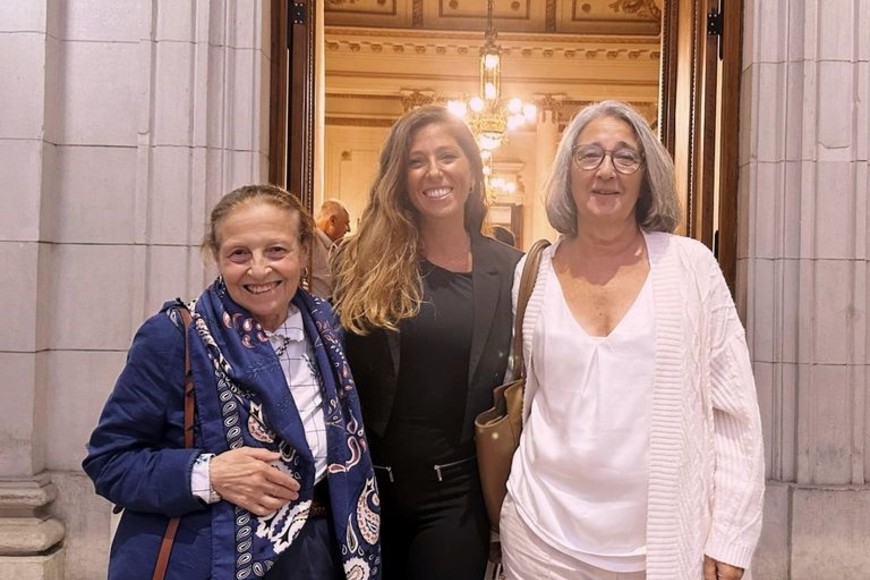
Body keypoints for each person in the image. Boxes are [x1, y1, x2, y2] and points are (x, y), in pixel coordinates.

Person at [500, 100, 764, 580]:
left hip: (657, 550)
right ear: (568, 171)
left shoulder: (691, 267)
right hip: (539, 539)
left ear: (646, 175)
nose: (607, 171)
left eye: (625, 157)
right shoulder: (532, 274)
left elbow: (736, 414)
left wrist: (730, 535)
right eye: (590, 155)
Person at [83, 184, 380, 580]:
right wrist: (211, 474)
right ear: (216, 257)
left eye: (277, 250)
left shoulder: (332, 331)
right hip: (209, 557)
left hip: (320, 556)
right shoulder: (175, 336)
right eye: (239, 253)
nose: (259, 270)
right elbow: (110, 462)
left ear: (304, 251)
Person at [331, 105, 522, 579]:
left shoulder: (513, 271)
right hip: (362, 489)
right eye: (417, 161)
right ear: (400, 177)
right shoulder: (359, 264)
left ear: (473, 172)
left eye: (447, 156)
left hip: (456, 500)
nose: (434, 172)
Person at [310, 199, 351, 299]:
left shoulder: (335, 249)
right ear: (332, 221)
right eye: (346, 223)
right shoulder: (310, 241)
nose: (348, 229)